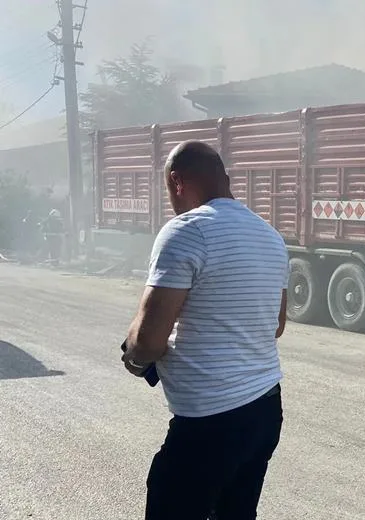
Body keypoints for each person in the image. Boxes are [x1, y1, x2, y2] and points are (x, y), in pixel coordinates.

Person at [120, 140, 289, 519]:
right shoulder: (271, 237)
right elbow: (275, 326)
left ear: (177, 181)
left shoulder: (186, 231)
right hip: (264, 412)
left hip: (211, 423)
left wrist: (134, 356)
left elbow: (147, 340)